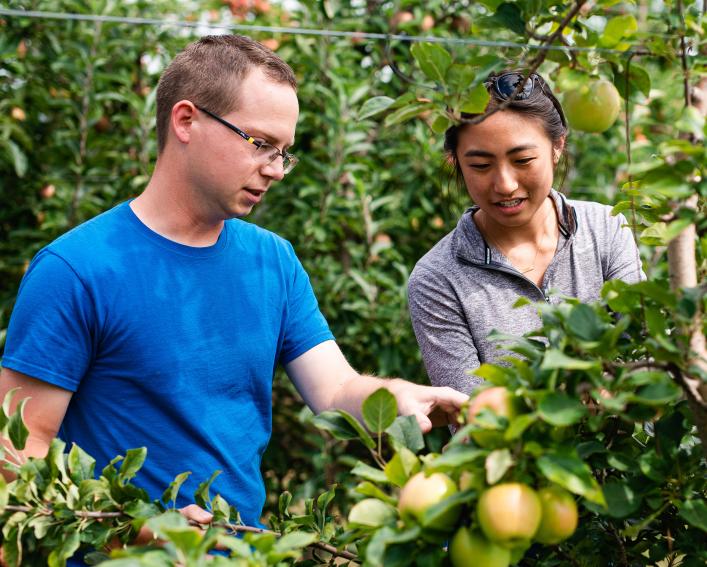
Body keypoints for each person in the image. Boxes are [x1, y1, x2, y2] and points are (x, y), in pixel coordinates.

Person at [0, 35, 467, 537]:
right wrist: (128, 528)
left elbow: (334, 389)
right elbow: (17, 451)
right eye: (260, 143)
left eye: (284, 152)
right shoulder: (77, 269)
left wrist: (396, 400)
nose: (275, 169)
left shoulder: (273, 261)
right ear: (185, 121)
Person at [407, 70, 644, 395]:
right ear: (457, 162)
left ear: (557, 146)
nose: (504, 184)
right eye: (480, 166)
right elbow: (474, 420)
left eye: (523, 160)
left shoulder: (606, 229)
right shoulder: (438, 279)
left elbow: (642, 364)